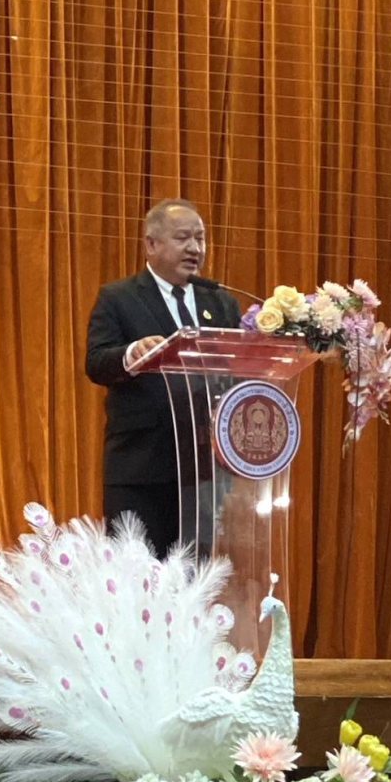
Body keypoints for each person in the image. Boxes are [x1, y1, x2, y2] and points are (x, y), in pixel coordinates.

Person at [85, 199, 241, 557]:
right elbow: (96, 362)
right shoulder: (119, 298)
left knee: (197, 574)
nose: (195, 248)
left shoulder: (220, 302)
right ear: (151, 244)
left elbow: (237, 371)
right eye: (183, 238)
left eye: (200, 238)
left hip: (204, 471)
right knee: (138, 574)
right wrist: (131, 353)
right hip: (142, 468)